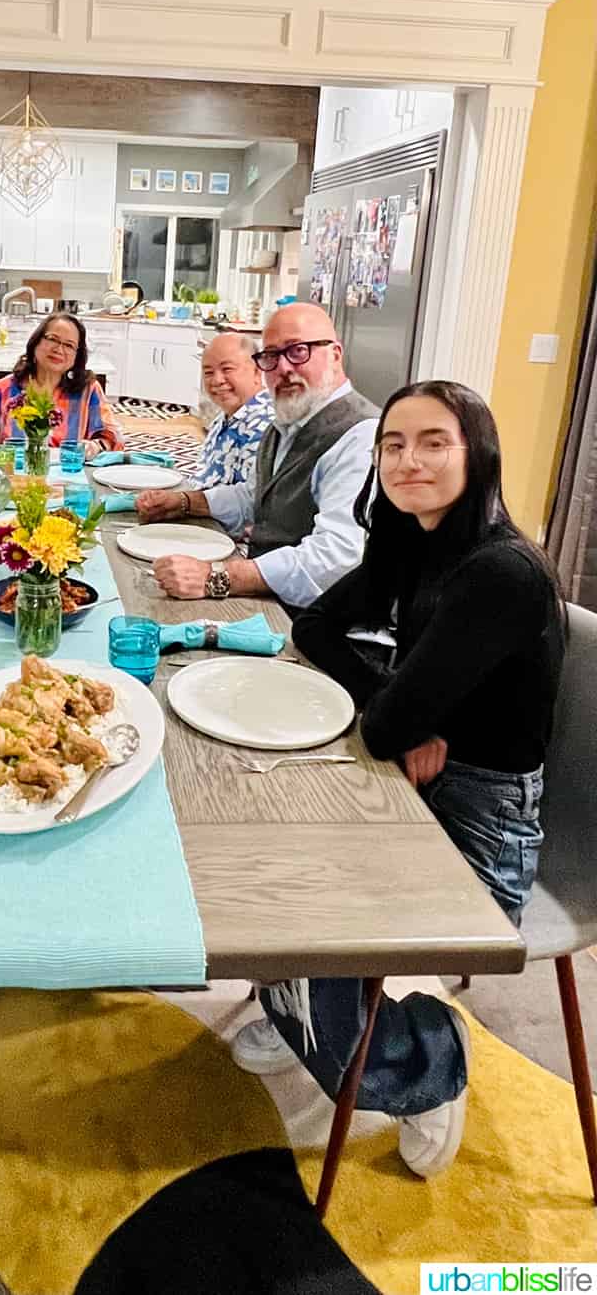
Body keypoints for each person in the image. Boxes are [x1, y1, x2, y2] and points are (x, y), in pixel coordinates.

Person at [231, 380, 564, 1179]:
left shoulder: (500, 572)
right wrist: (411, 710)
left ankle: (424, 1063)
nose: (408, 461)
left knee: (310, 915)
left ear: (477, 453)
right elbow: (314, 627)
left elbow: (379, 725)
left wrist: (403, 714)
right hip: (413, 776)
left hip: (485, 823)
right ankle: (298, 1004)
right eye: (393, 444)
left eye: (434, 442)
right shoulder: (413, 538)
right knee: (265, 857)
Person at [136, 302, 377, 611]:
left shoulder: (360, 436)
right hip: (273, 599)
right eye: (272, 356)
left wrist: (215, 577)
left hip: (322, 624)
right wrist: (185, 502)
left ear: (335, 354)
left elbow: (336, 556)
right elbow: (256, 496)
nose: (284, 368)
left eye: (298, 351)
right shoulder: (289, 420)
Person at [0, 314, 123, 455]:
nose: (59, 349)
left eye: (69, 345)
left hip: (69, 475)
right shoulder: (4, 388)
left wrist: (95, 446)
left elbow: (110, 435)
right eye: (53, 339)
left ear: (76, 356)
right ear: (36, 343)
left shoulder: (88, 390)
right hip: (15, 474)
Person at [188, 332, 274, 490]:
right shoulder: (229, 415)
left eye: (227, 369)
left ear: (257, 371)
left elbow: (249, 502)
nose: (216, 380)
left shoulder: (264, 428)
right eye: (208, 372)